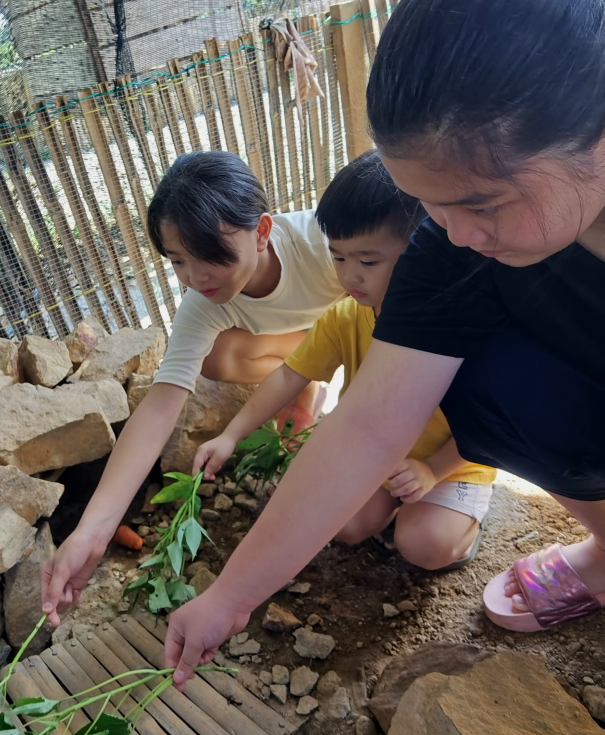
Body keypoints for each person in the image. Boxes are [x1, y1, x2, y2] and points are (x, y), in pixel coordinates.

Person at [163, 0, 605, 685]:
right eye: (429, 207)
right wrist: (232, 597)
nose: (453, 233)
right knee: (487, 374)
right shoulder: (448, 252)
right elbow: (365, 425)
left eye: (479, 204)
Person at [41, 150, 345, 625]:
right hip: (306, 348)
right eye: (179, 261)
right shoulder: (202, 303)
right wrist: (92, 533)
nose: (195, 278)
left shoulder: (323, 243)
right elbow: (161, 406)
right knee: (217, 357)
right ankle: (302, 388)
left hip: (360, 334)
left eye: (212, 257)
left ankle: (311, 384)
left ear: (262, 232)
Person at [193, 151, 496, 570]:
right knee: (347, 526)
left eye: (368, 261)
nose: (349, 276)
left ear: (424, 249)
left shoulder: (457, 326)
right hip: (382, 455)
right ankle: (397, 511)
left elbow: (489, 426)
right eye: (338, 257)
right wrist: (230, 435)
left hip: (453, 463)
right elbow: (288, 375)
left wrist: (432, 470)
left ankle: (459, 525)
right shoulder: (347, 315)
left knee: (424, 546)